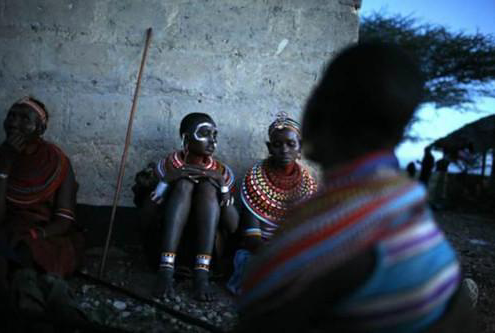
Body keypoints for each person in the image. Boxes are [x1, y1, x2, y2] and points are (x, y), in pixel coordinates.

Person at [238, 43, 475, 333]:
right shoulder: (409, 206)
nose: (285, 148)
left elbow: (255, 318)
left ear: (313, 117)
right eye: (278, 143)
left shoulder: (318, 235)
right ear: (400, 130)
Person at [0, 97, 84, 323]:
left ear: (40, 128)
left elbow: (64, 220)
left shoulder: (57, 161)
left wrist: (37, 234)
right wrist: (4, 166)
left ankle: (45, 294)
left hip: (46, 233)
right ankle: (29, 297)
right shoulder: (1, 156)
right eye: (11, 116)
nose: (14, 123)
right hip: (8, 228)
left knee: (30, 251)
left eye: (24, 118)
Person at [142, 112, 238, 301]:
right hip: (167, 246)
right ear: (186, 138)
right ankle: (166, 271)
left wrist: (223, 186)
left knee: (208, 189)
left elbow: (233, 226)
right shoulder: (166, 167)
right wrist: (167, 180)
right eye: (204, 134)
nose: (212, 141)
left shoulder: (222, 172)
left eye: (214, 135)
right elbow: (145, 220)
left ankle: (201, 275)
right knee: (184, 185)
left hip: (207, 250)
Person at [227, 112, 317, 294]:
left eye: (291, 144)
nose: (284, 150)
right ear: (269, 147)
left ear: (300, 148)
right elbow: (252, 238)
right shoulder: (254, 180)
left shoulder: (308, 185)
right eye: (277, 145)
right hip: (260, 251)